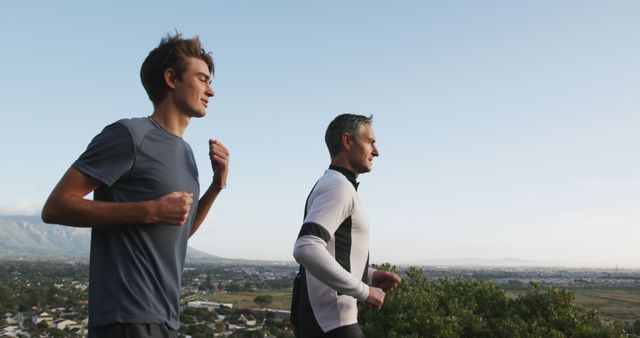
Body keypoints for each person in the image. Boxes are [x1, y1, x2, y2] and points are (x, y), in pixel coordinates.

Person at [41, 33, 229, 338]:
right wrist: (150, 210)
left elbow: (179, 231)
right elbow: (56, 206)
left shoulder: (186, 153)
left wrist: (216, 186)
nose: (211, 90)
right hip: (125, 317)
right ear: (171, 79)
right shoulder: (129, 135)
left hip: (165, 317)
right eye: (202, 79)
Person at [291, 114, 401, 337]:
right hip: (334, 323)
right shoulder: (338, 187)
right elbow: (306, 247)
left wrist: (367, 275)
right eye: (370, 142)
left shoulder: (334, 184)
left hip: (328, 321)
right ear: (347, 141)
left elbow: (333, 253)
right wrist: (363, 290)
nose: (376, 151)